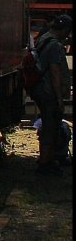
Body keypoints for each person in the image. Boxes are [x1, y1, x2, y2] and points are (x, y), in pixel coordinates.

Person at [30, 13, 72, 175]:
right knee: (50, 126)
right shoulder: (54, 45)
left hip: (41, 90)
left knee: (49, 124)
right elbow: (55, 72)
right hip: (49, 92)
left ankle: (47, 159)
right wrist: (60, 98)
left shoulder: (43, 38)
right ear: (64, 30)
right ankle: (45, 162)